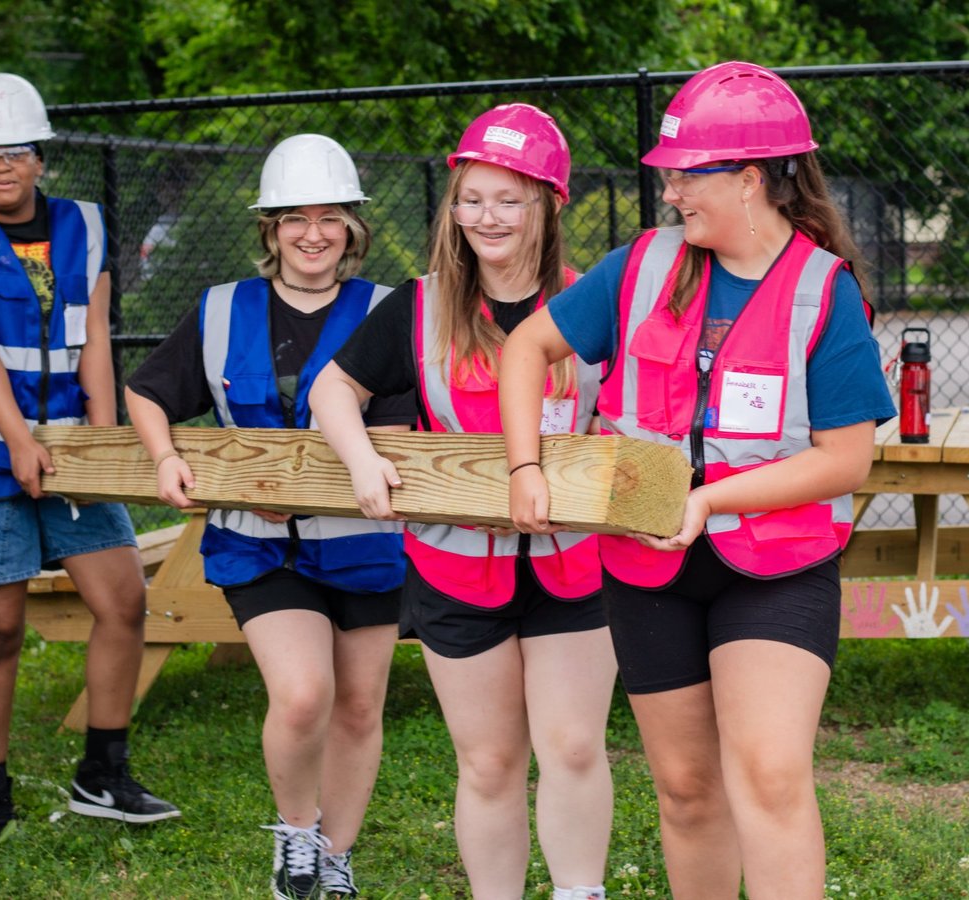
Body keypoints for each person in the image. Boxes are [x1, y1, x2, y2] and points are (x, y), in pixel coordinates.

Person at [500, 62, 898, 899]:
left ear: (751, 179)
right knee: (685, 790)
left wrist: (710, 500)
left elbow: (846, 459)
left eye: (687, 173)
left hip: (775, 567)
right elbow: (524, 349)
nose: (672, 191)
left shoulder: (823, 292)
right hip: (647, 566)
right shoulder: (641, 267)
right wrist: (526, 465)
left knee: (770, 775)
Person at [310, 104, 616, 900]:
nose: (488, 217)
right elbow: (332, 390)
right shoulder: (419, 306)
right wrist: (363, 461)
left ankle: (581, 891)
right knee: (487, 761)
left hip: (575, 567)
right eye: (473, 197)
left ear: (551, 205)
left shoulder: (597, 305)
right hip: (454, 567)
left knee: (576, 746)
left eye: (510, 199)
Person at [124, 133, 412, 900]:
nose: (312, 234)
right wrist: (164, 457)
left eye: (329, 218)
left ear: (353, 227)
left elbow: (408, 432)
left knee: (357, 706)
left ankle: (338, 856)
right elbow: (148, 392)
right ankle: (296, 838)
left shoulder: (390, 311)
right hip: (258, 549)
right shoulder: (221, 309)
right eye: (294, 218)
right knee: (303, 695)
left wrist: (335, 473)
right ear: (268, 229)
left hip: (365, 548)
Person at [0, 73, 178, 838]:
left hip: (69, 455)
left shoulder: (83, 225)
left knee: (123, 600)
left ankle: (104, 772)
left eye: (16, 151)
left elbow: (93, 338)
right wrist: (20, 442)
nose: (1, 165)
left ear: (39, 158)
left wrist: (97, 439)